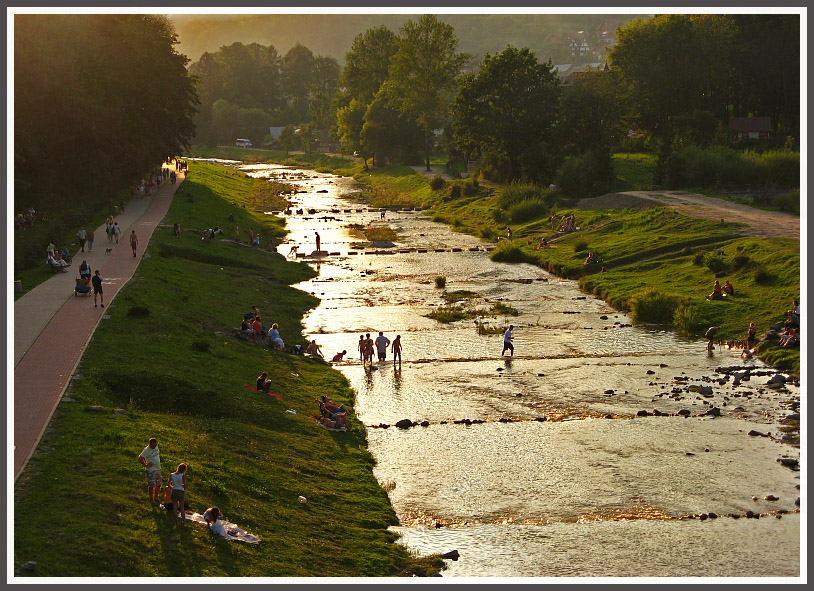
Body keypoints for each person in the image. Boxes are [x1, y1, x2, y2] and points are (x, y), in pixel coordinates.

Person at [138, 438, 162, 504]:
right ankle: (152, 500)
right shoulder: (147, 450)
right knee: (152, 485)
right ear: (150, 444)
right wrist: (145, 464)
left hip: (158, 468)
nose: (155, 446)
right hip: (151, 470)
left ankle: (156, 497)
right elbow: (140, 458)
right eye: (153, 445)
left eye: (156, 444)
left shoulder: (156, 447)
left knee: (159, 484)